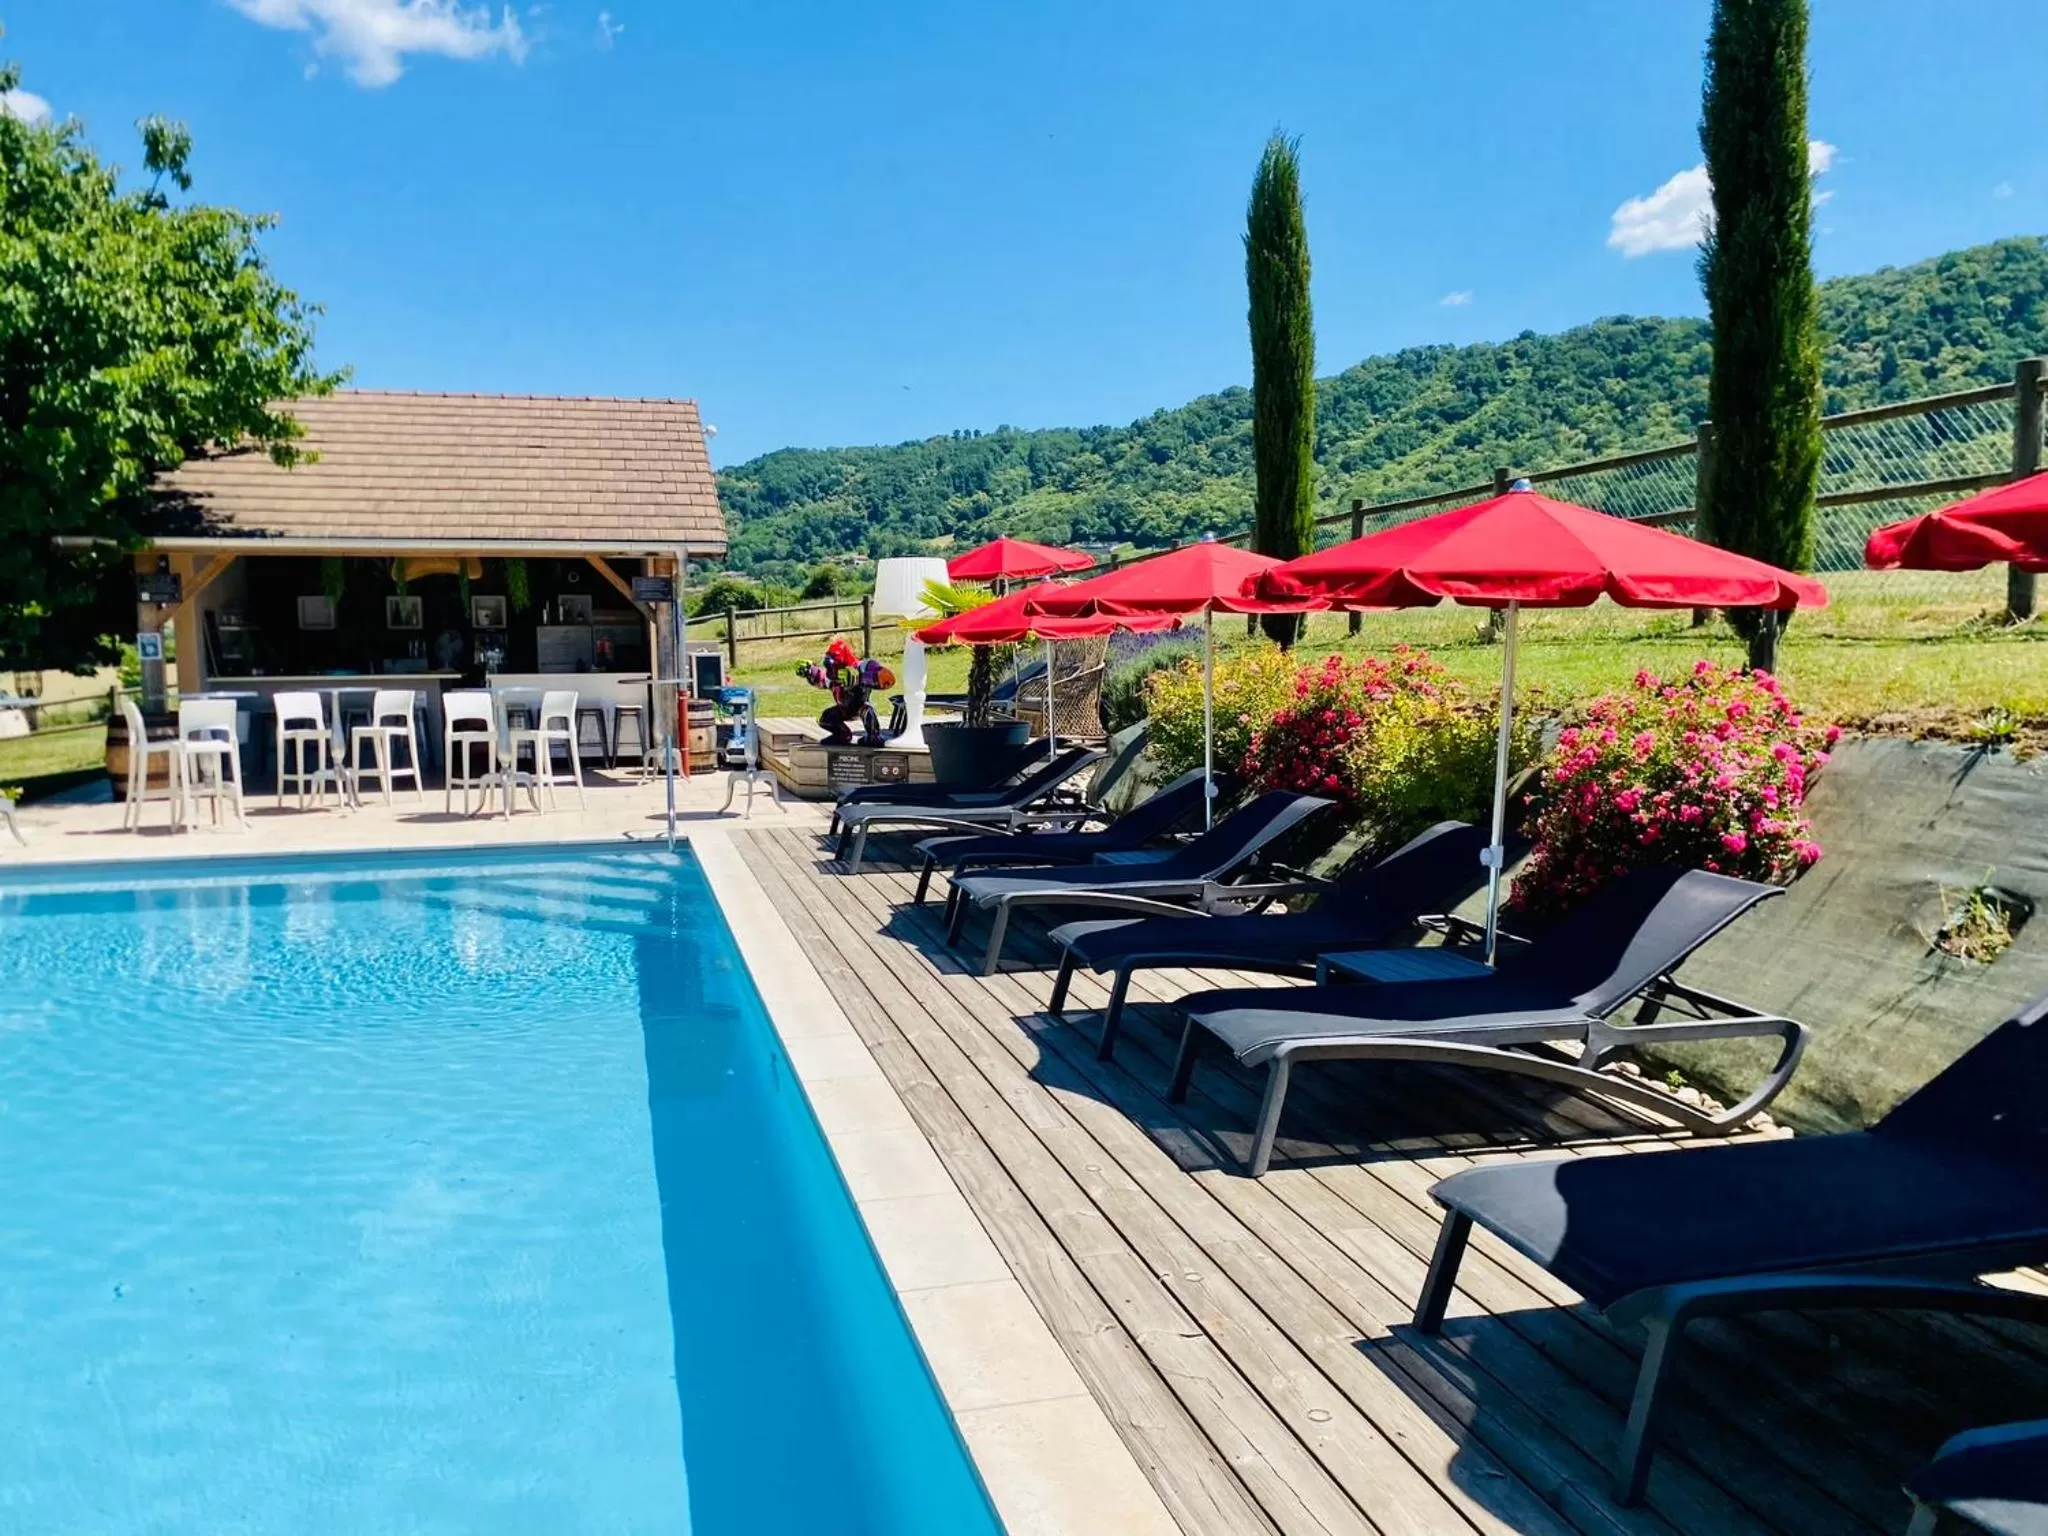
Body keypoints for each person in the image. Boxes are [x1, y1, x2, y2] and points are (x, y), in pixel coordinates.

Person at [797, 638, 895, 746]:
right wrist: (810, 671)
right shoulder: (832, 676)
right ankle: (842, 735)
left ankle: (874, 736)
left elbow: (888, 680)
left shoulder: (863, 667)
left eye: (835, 667)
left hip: (860, 707)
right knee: (826, 718)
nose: (832, 670)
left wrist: (857, 679)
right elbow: (821, 679)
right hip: (843, 709)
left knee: (867, 711)